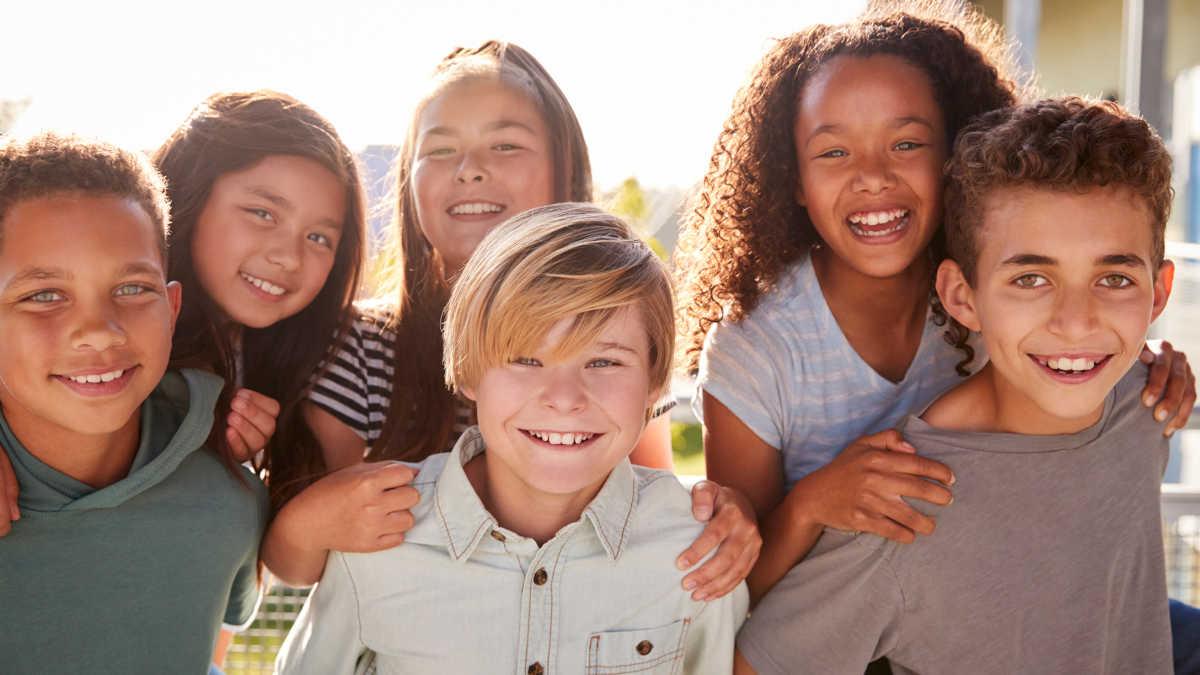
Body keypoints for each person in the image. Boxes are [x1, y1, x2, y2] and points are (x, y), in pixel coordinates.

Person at [676, 2, 1194, 604]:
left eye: (907, 143)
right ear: (792, 178)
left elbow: (1077, 334)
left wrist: (1139, 361)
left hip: (1006, 605)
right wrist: (812, 504)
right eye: (834, 152)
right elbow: (733, 589)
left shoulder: (1002, 291)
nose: (872, 177)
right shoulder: (753, 349)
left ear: (954, 155)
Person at [264, 41, 760, 599]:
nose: (471, 169)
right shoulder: (359, 347)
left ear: (563, 169)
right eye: (442, 149)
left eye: (504, 145)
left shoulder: (618, 331)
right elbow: (297, 561)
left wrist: (719, 513)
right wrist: (310, 523)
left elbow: (654, 503)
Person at [736, 97, 1175, 674]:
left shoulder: (1148, 402)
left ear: (1159, 294)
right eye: (1031, 278)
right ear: (963, 297)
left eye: (1114, 278)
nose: (1077, 322)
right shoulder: (900, 508)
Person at [276, 203, 748, 674]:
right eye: (525, 359)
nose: (564, 399)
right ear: (468, 370)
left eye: (603, 362)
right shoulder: (377, 537)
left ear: (655, 381)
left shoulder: (701, 555)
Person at [0, 133, 268, 673]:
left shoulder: (228, 497)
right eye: (44, 295)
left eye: (132, 288)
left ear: (172, 308)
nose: (98, 332)